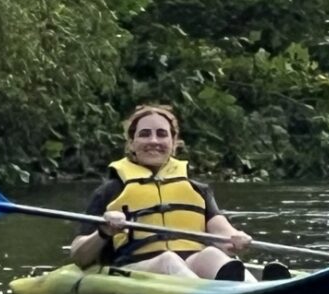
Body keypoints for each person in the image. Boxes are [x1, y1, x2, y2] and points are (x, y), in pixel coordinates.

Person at [67, 104, 262, 281]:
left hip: (190, 263)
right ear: (131, 143)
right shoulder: (111, 190)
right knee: (168, 261)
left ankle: (255, 290)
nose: (153, 140)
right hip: (135, 267)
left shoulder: (197, 190)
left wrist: (236, 238)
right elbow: (78, 254)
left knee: (212, 255)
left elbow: (222, 230)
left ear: (174, 142)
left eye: (161, 134)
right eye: (144, 134)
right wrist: (104, 231)